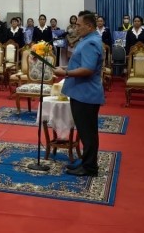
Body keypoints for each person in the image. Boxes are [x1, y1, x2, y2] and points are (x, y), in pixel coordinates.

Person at [53, 11, 104, 176]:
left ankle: (90, 167)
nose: (76, 28)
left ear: (89, 26)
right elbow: (80, 63)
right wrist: (65, 68)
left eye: (79, 25)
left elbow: (88, 69)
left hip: (86, 94)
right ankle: (86, 161)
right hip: (81, 92)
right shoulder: (88, 39)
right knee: (85, 131)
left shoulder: (91, 42)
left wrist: (66, 73)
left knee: (88, 133)